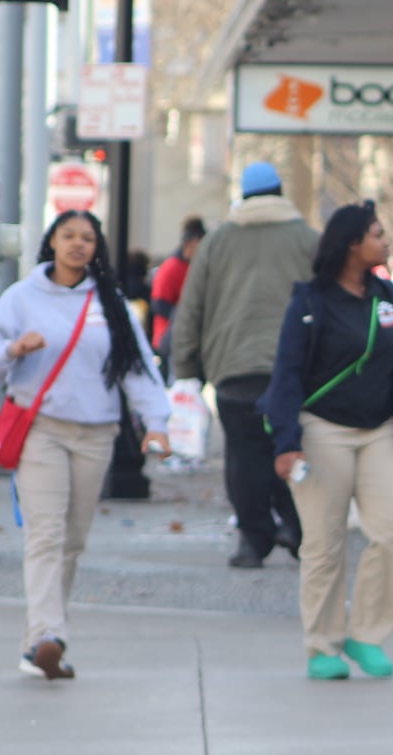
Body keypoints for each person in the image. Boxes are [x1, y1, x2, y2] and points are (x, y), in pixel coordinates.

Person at [0, 210, 172, 681]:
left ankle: (35, 644)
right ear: (52, 242)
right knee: (45, 534)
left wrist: (156, 423)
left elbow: (137, 367)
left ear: (96, 248)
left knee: (72, 540)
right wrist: (13, 349)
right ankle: (49, 635)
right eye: (69, 236)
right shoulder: (21, 297)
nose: (78, 244)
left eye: (87, 238)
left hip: (97, 433)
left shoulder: (111, 302)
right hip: (41, 428)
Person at [259, 202, 393, 680]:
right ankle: (322, 645)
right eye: (378, 234)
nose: (387, 242)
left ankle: (366, 636)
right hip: (322, 432)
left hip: (382, 431)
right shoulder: (310, 301)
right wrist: (286, 442)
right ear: (351, 244)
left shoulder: (390, 298)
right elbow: (286, 374)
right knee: (324, 543)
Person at [169, 160, 318, 568]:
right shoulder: (308, 239)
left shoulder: (218, 242)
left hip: (233, 368)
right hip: (295, 370)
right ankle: (295, 525)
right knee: (291, 445)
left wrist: (186, 367)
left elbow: (192, 306)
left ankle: (253, 540)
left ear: (244, 195)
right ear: (280, 191)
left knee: (244, 456)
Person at [149, 215, 206, 368]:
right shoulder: (171, 267)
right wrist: (184, 316)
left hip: (191, 339)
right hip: (169, 339)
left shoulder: (199, 267)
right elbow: (158, 303)